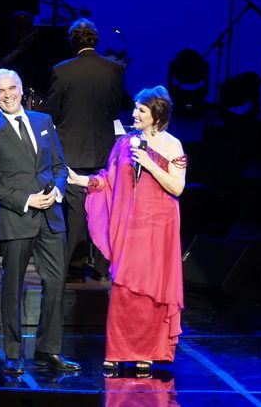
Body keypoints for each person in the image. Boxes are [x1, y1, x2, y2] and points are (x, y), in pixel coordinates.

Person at [66, 86, 186, 372]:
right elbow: (109, 180)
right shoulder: (124, 143)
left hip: (159, 226)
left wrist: (150, 164)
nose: (134, 114)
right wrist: (80, 180)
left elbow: (177, 188)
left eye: (141, 110)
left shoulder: (173, 145)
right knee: (125, 288)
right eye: (135, 108)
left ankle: (148, 351)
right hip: (130, 225)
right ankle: (119, 350)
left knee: (152, 289)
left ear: (157, 115)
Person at [0, 69, 80, 374]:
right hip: (17, 218)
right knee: (12, 286)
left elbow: (59, 166)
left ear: (22, 89)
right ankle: (13, 353)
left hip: (51, 217)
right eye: (0, 91)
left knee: (56, 284)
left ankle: (50, 351)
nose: (7, 95)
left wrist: (57, 190)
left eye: (12, 88)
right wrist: (26, 200)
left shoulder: (43, 121)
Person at [47, 18, 130, 282]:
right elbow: (116, 106)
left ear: (73, 41)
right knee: (104, 208)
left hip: (72, 150)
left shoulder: (62, 70)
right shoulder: (114, 68)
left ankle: (73, 264)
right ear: (96, 39)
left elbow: (53, 111)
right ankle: (103, 267)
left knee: (76, 212)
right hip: (105, 150)